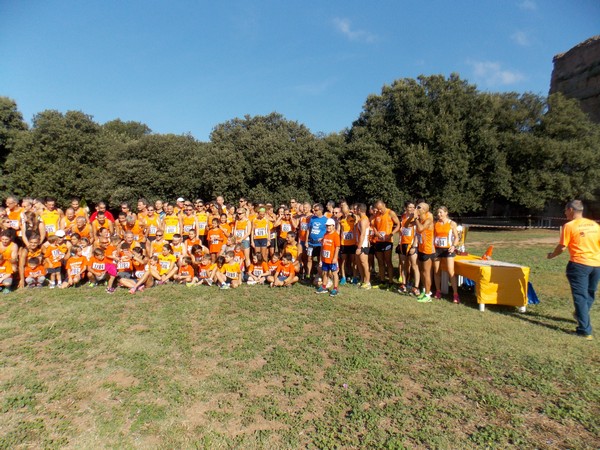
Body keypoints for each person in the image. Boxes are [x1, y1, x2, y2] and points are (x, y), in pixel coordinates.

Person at [547, 200, 600, 340]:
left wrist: (552, 255)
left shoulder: (569, 226)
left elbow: (562, 247)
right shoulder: (594, 225)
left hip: (579, 265)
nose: (564, 213)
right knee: (590, 293)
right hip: (596, 265)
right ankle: (580, 315)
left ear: (571, 210)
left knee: (580, 297)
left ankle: (584, 330)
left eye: (565, 210)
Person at [433, 206, 460, 303]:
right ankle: (438, 291)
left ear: (446, 213)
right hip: (437, 249)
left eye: (441, 213)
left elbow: (457, 237)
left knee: (451, 271)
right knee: (436, 271)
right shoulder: (436, 224)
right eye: (438, 213)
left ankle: (455, 294)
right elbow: (434, 236)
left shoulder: (452, 223)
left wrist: (453, 246)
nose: (439, 215)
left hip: (448, 250)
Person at [414, 202, 435, 302]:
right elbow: (405, 224)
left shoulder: (428, 220)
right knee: (422, 271)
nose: (416, 208)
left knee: (427, 273)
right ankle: (424, 290)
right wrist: (413, 218)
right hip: (421, 248)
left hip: (428, 250)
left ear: (424, 210)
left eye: (418, 207)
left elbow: (421, 229)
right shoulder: (419, 219)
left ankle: (428, 295)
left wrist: (415, 219)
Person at [316, 218, 341, 296]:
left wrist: (335, 258)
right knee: (325, 272)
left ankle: (335, 288)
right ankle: (324, 287)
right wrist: (321, 258)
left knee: (334, 273)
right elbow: (323, 246)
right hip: (325, 258)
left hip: (332, 258)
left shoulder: (335, 235)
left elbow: (337, 247)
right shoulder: (326, 234)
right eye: (327, 226)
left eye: (329, 226)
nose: (328, 227)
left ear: (333, 226)